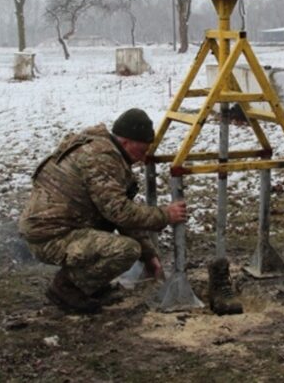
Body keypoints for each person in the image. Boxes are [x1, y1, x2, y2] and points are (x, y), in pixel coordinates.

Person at [19, 108, 187, 313]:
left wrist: (148, 255)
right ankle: (66, 288)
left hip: (59, 227)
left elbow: (118, 216)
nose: (142, 159)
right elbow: (120, 212)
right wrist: (165, 215)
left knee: (119, 241)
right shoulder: (102, 158)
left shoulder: (102, 148)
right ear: (125, 142)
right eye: (141, 151)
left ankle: (89, 286)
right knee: (125, 250)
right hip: (51, 236)